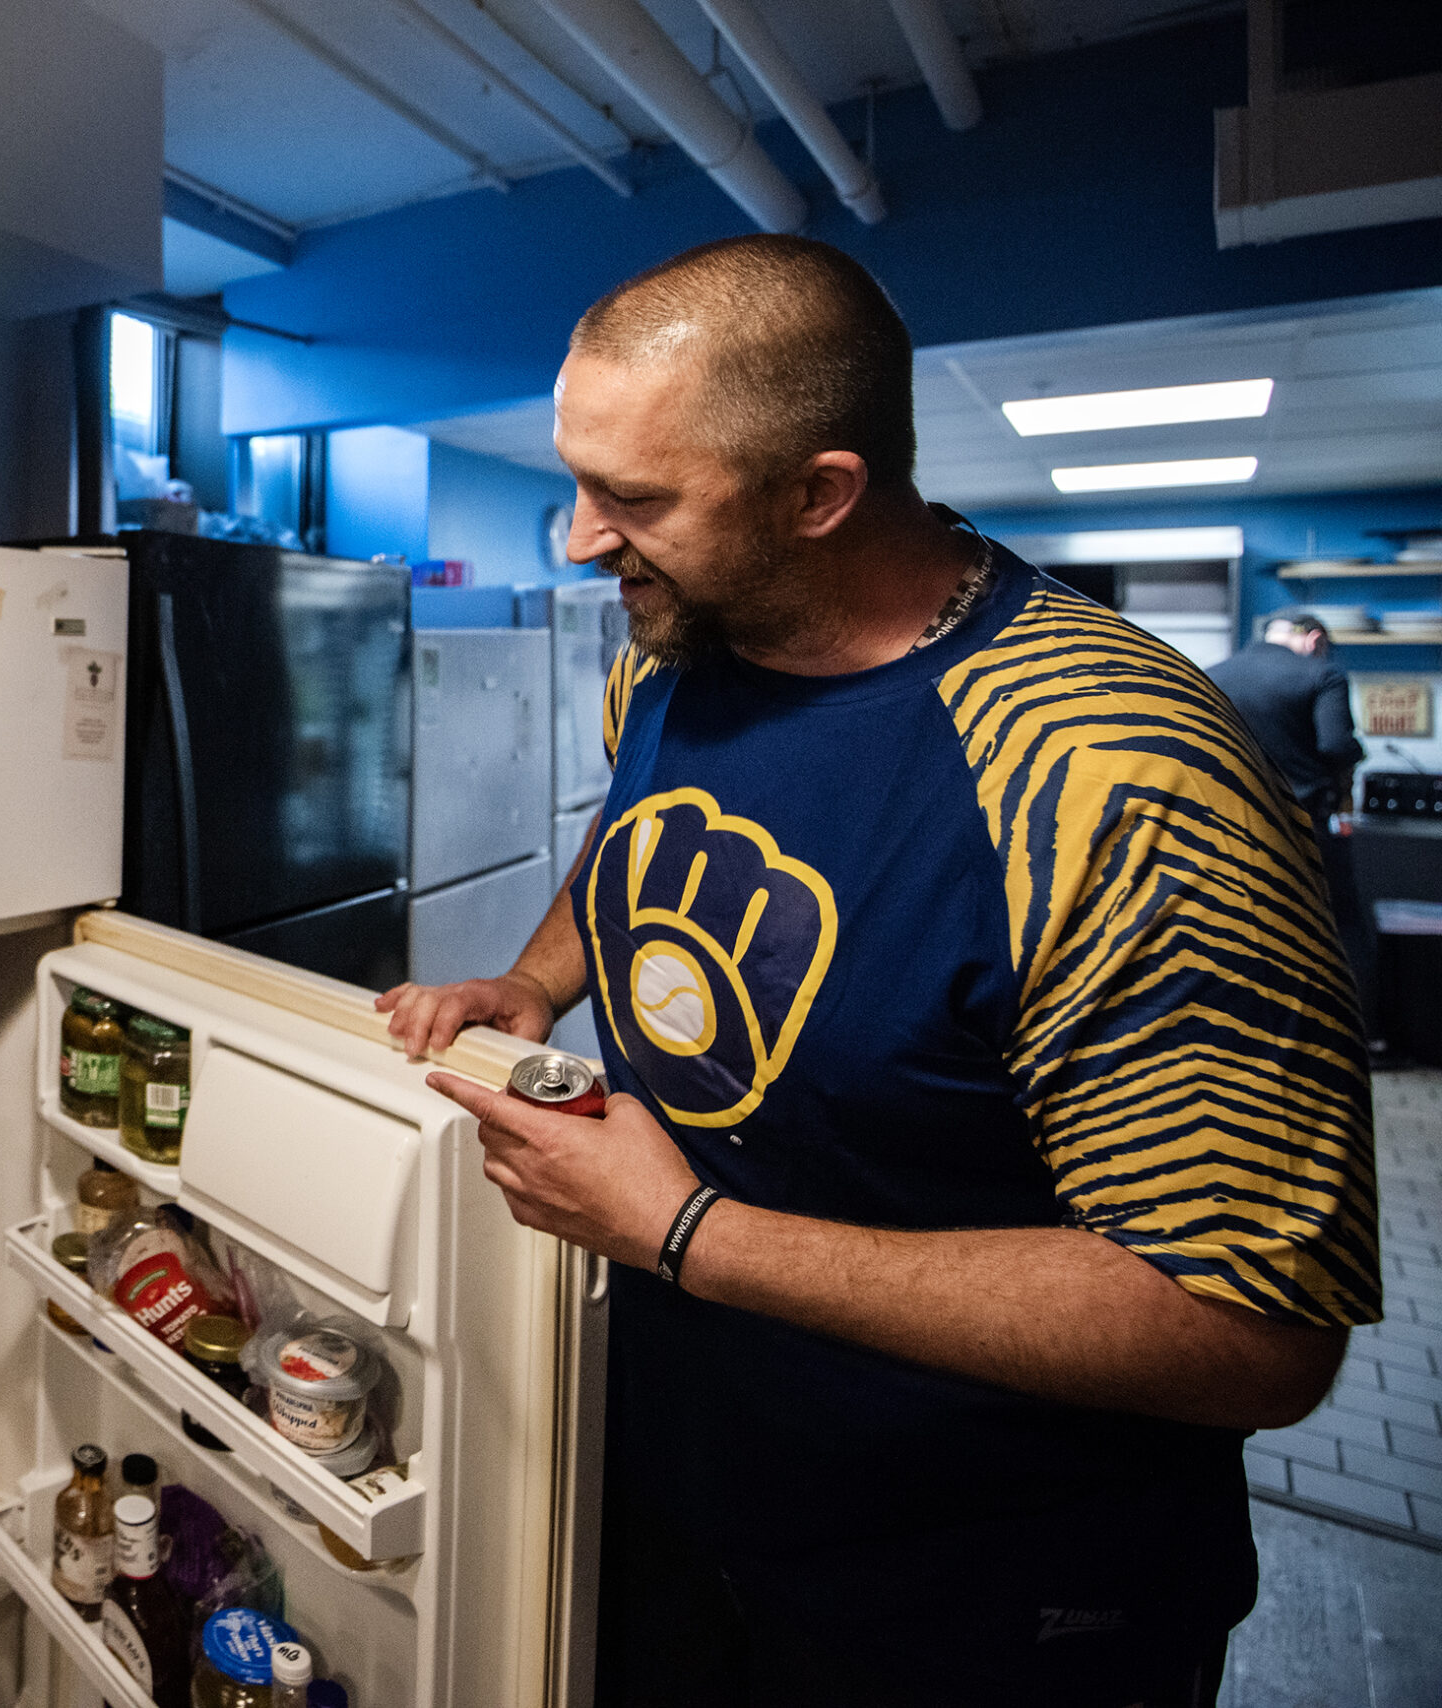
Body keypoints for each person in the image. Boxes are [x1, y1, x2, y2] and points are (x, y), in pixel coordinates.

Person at [375, 235, 1377, 1708]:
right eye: (578, 482)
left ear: (819, 495)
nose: (579, 541)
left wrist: (687, 1233)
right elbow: (640, 838)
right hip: (687, 1498)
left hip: (980, 1596)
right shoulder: (673, 650)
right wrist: (537, 985)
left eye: (635, 500)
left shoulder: (1115, 775)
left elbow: (1248, 1323)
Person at [1210, 612, 1376, 1020]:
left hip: (1225, 827)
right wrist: (1357, 753)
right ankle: (1364, 1030)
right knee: (1341, 923)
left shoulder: (1212, 674)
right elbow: (1336, 744)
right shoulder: (1321, 674)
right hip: (1303, 828)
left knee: (1239, 924)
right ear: (1315, 638)